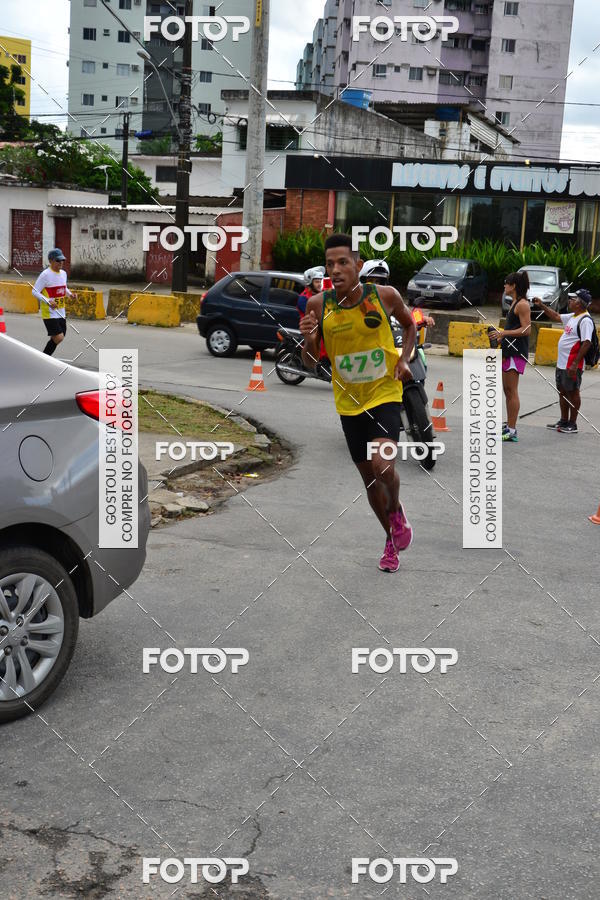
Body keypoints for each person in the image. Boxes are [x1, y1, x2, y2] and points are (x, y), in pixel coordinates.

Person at [299, 234, 417, 573]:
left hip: (384, 394)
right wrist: (309, 338)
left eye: (343, 262)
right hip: (349, 404)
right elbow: (310, 362)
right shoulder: (318, 305)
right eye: (329, 264)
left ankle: (396, 511)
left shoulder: (384, 296)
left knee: (384, 467)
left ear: (358, 265)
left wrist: (404, 359)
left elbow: (410, 326)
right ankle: (390, 539)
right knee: (369, 480)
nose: (335, 270)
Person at [534, 288, 595, 434]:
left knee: (573, 392)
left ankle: (572, 424)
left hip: (572, 364)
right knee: (562, 391)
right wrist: (541, 305)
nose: (569, 301)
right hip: (562, 363)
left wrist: (575, 364)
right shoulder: (574, 316)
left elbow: (587, 342)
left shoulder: (585, 320)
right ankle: (563, 420)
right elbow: (556, 316)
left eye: (572, 299)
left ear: (579, 303)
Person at [488, 271, 531, 443]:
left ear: (514, 286)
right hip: (508, 351)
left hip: (516, 352)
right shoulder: (514, 302)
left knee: (512, 391)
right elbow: (514, 328)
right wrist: (501, 338)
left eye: (506, 283)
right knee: (507, 391)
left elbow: (526, 329)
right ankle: (509, 425)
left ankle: (512, 431)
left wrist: (503, 333)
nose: (504, 286)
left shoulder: (523, 304)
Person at [32, 248, 77, 356]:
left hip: (61, 311)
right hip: (49, 312)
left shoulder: (63, 273)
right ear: (51, 261)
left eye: (62, 260)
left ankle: (44, 357)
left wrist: (70, 294)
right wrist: (48, 301)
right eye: (58, 260)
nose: (61, 262)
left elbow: (63, 287)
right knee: (58, 337)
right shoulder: (45, 275)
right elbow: (34, 291)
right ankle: (44, 358)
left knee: (60, 336)